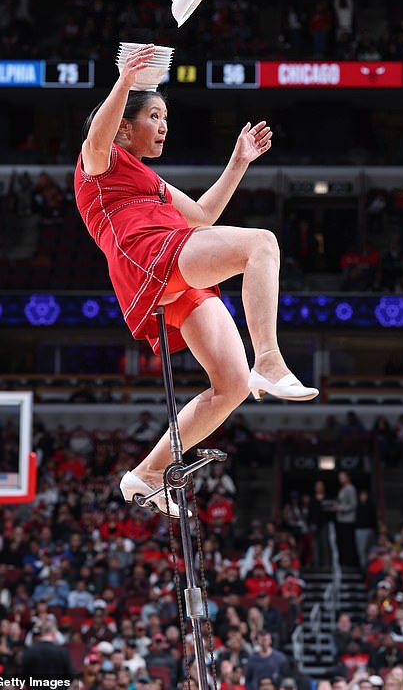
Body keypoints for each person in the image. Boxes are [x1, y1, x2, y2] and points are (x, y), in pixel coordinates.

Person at [75, 46, 318, 518]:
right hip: (148, 255)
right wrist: (125, 82)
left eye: (165, 116)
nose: (164, 125)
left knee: (230, 386)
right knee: (261, 244)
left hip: (177, 261)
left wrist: (240, 161)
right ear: (126, 125)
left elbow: (204, 215)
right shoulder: (98, 161)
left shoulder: (148, 177)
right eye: (155, 115)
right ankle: (269, 359)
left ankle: (145, 474)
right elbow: (97, 137)